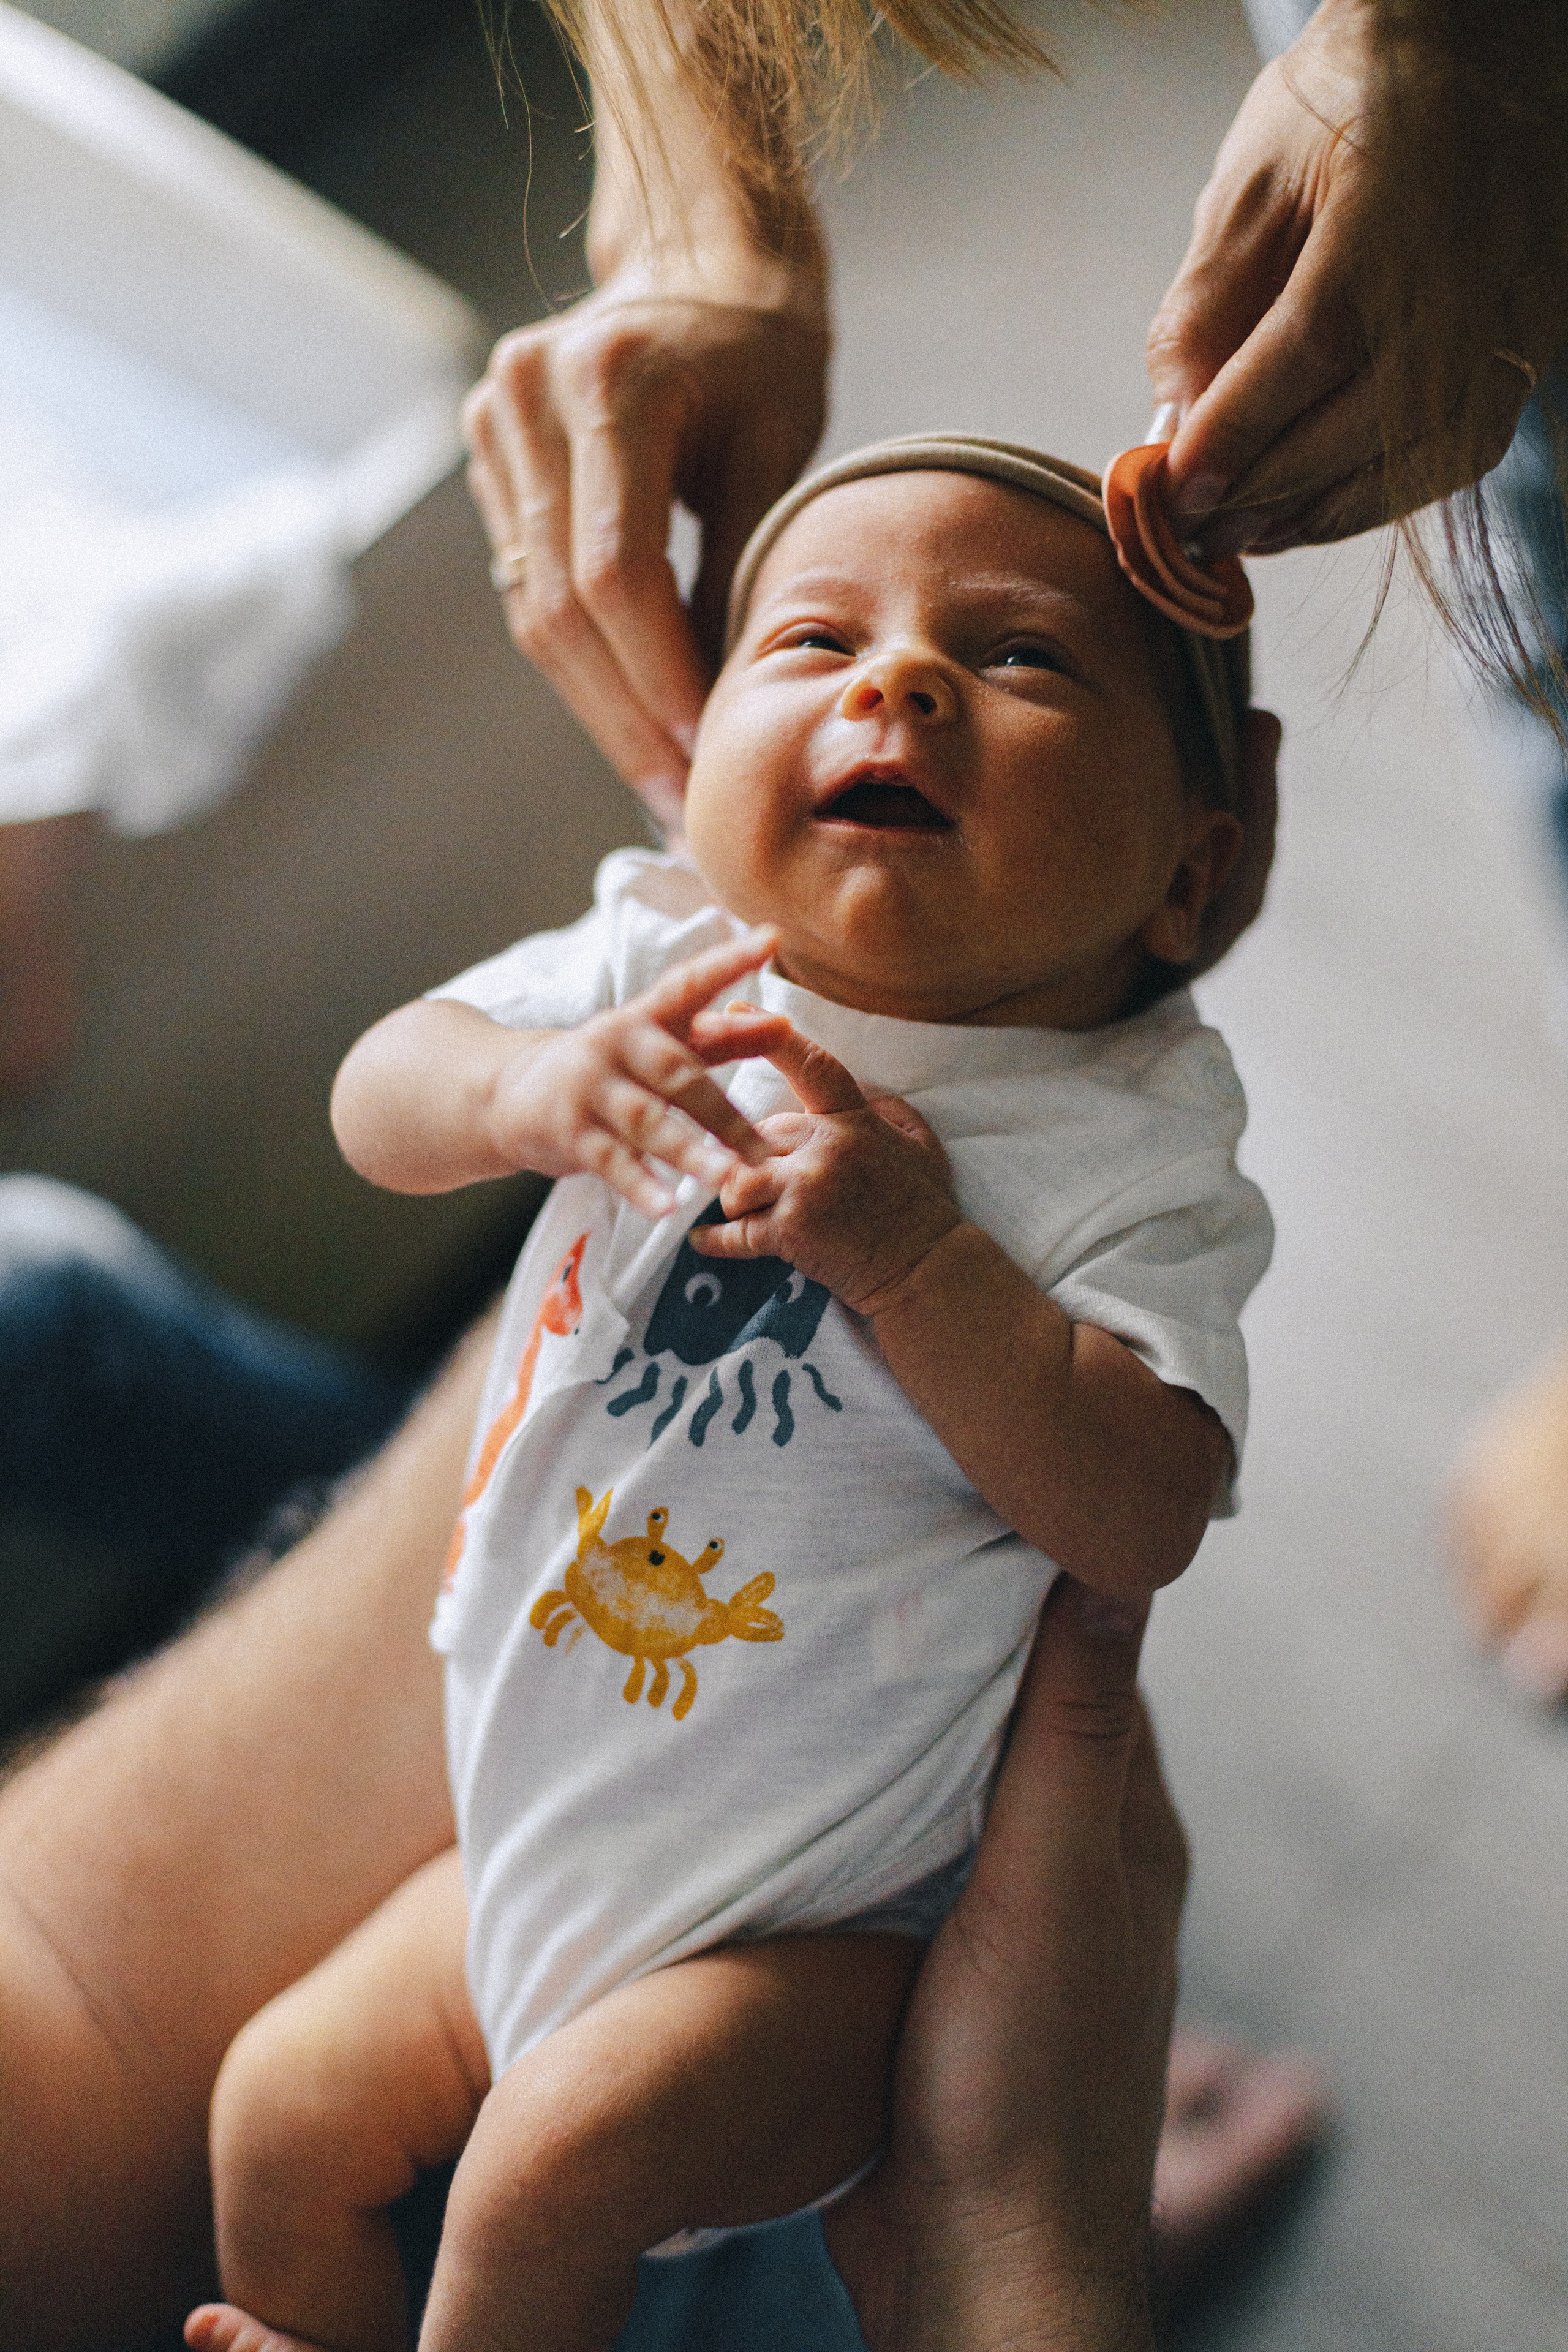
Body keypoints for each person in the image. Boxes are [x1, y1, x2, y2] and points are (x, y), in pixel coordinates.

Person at [184, 435, 1272, 2352]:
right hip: (543, 1830)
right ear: (701, 798)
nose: (900, 680)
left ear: (1192, 869)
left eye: (1021, 660)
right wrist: (516, 1090)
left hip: (832, 1933)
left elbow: (1145, 1513)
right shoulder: (664, 954)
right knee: (276, 2108)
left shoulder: (1130, 1149)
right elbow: (381, 1096)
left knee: (542, 2169)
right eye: (817, 637)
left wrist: (930, 1270)